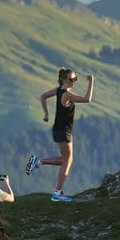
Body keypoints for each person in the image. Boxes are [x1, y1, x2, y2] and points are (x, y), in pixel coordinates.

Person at [25, 68, 95, 202]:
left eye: (75, 79)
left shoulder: (58, 90)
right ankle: (57, 193)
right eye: (71, 79)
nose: (73, 82)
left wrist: (46, 114)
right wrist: (91, 81)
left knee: (66, 160)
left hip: (59, 130)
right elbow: (87, 99)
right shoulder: (67, 94)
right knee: (67, 160)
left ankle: (38, 161)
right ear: (64, 80)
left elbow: (43, 96)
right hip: (64, 131)